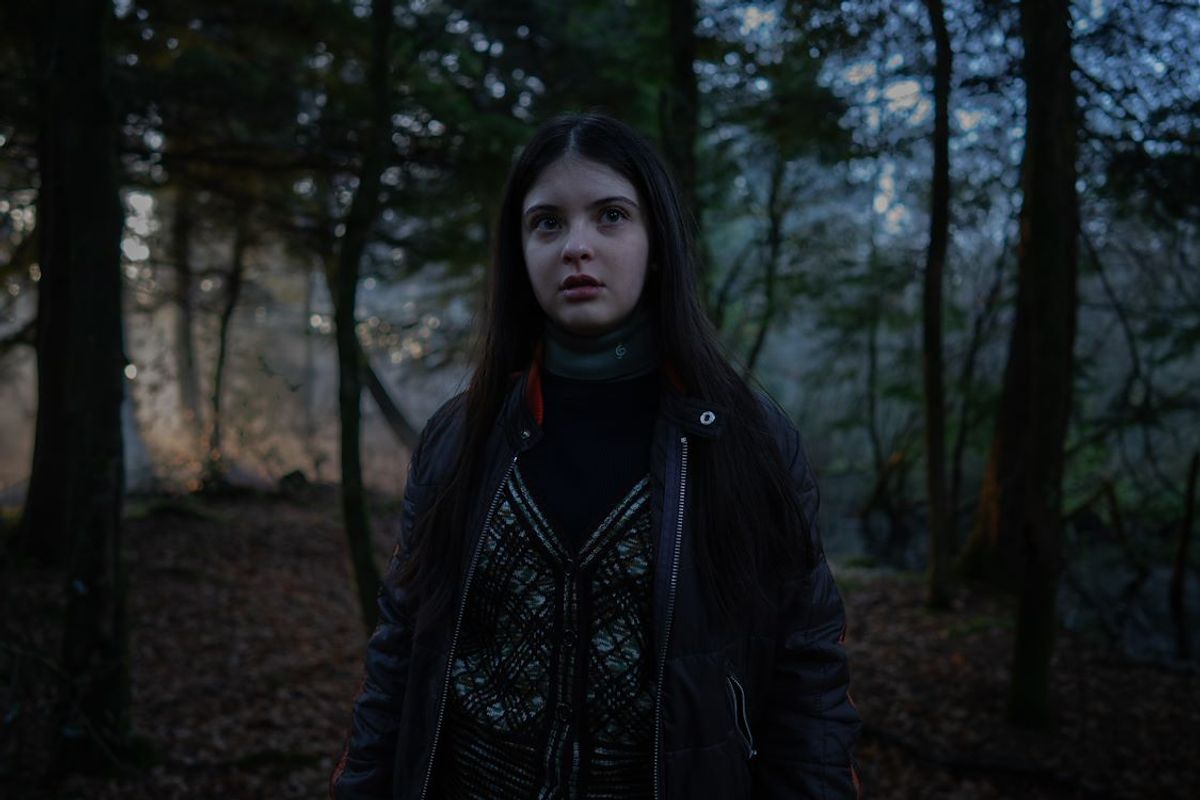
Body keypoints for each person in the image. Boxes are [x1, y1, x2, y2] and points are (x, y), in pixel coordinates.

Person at [330, 112, 861, 799]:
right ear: (521, 252)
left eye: (611, 216)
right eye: (547, 223)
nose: (576, 247)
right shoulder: (460, 439)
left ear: (656, 242)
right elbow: (399, 654)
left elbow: (807, 674)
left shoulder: (746, 441)